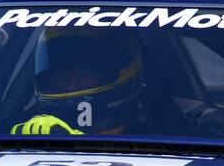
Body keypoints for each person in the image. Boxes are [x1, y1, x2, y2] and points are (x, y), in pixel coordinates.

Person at [9, 27, 146, 136]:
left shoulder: (159, 127)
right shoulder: (38, 128)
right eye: (62, 77)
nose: (72, 84)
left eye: (84, 74)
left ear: (123, 65)